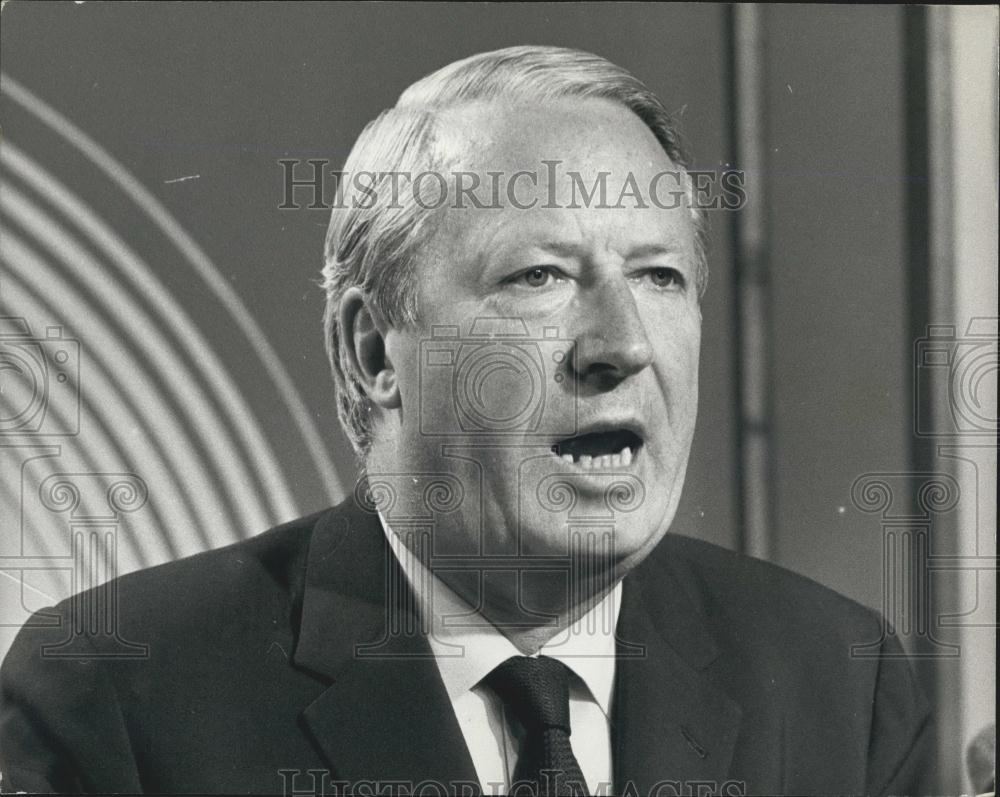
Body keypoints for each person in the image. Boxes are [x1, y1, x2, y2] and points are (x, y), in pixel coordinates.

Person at [0, 46, 931, 796]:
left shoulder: (841, 684)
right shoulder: (117, 698)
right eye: (540, 276)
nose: (622, 344)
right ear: (372, 353)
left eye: (660, 276)